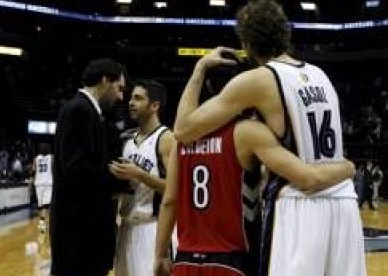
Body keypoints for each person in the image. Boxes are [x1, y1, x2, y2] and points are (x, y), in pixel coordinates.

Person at [172, 1, 365, 275]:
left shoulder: (258, 79)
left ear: (246, 43)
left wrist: (199, 70)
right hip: (344, 201)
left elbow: (183, 129)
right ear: (285, 33)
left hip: (302, 201)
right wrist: (347, 168)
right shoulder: (320, 75)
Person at [50, 58, 126, 276]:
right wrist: (119, 178)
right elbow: (77, 170)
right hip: (78, 236)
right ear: (105, 80)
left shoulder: (86, 111)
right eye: (119, 88)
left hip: (82, 234)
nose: (121, 97)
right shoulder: (79, 110)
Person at [110, 79, 174, 276]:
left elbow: (175, 190)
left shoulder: (166, 139)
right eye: (131, 97)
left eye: (138, 98)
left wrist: (139, 174)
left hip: (153, 228)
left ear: (154, 105)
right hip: (126, 227)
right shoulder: (126, 140)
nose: (130, 102)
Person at [31, 143, 53, 252]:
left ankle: (42, 223)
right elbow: (54, 169)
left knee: (40, 205)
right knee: (46, 205)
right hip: (48, 183)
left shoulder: (36, 158)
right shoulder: (52, 157)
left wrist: (31, 181)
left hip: (38, 183)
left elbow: (33, 170)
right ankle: (44, 223)